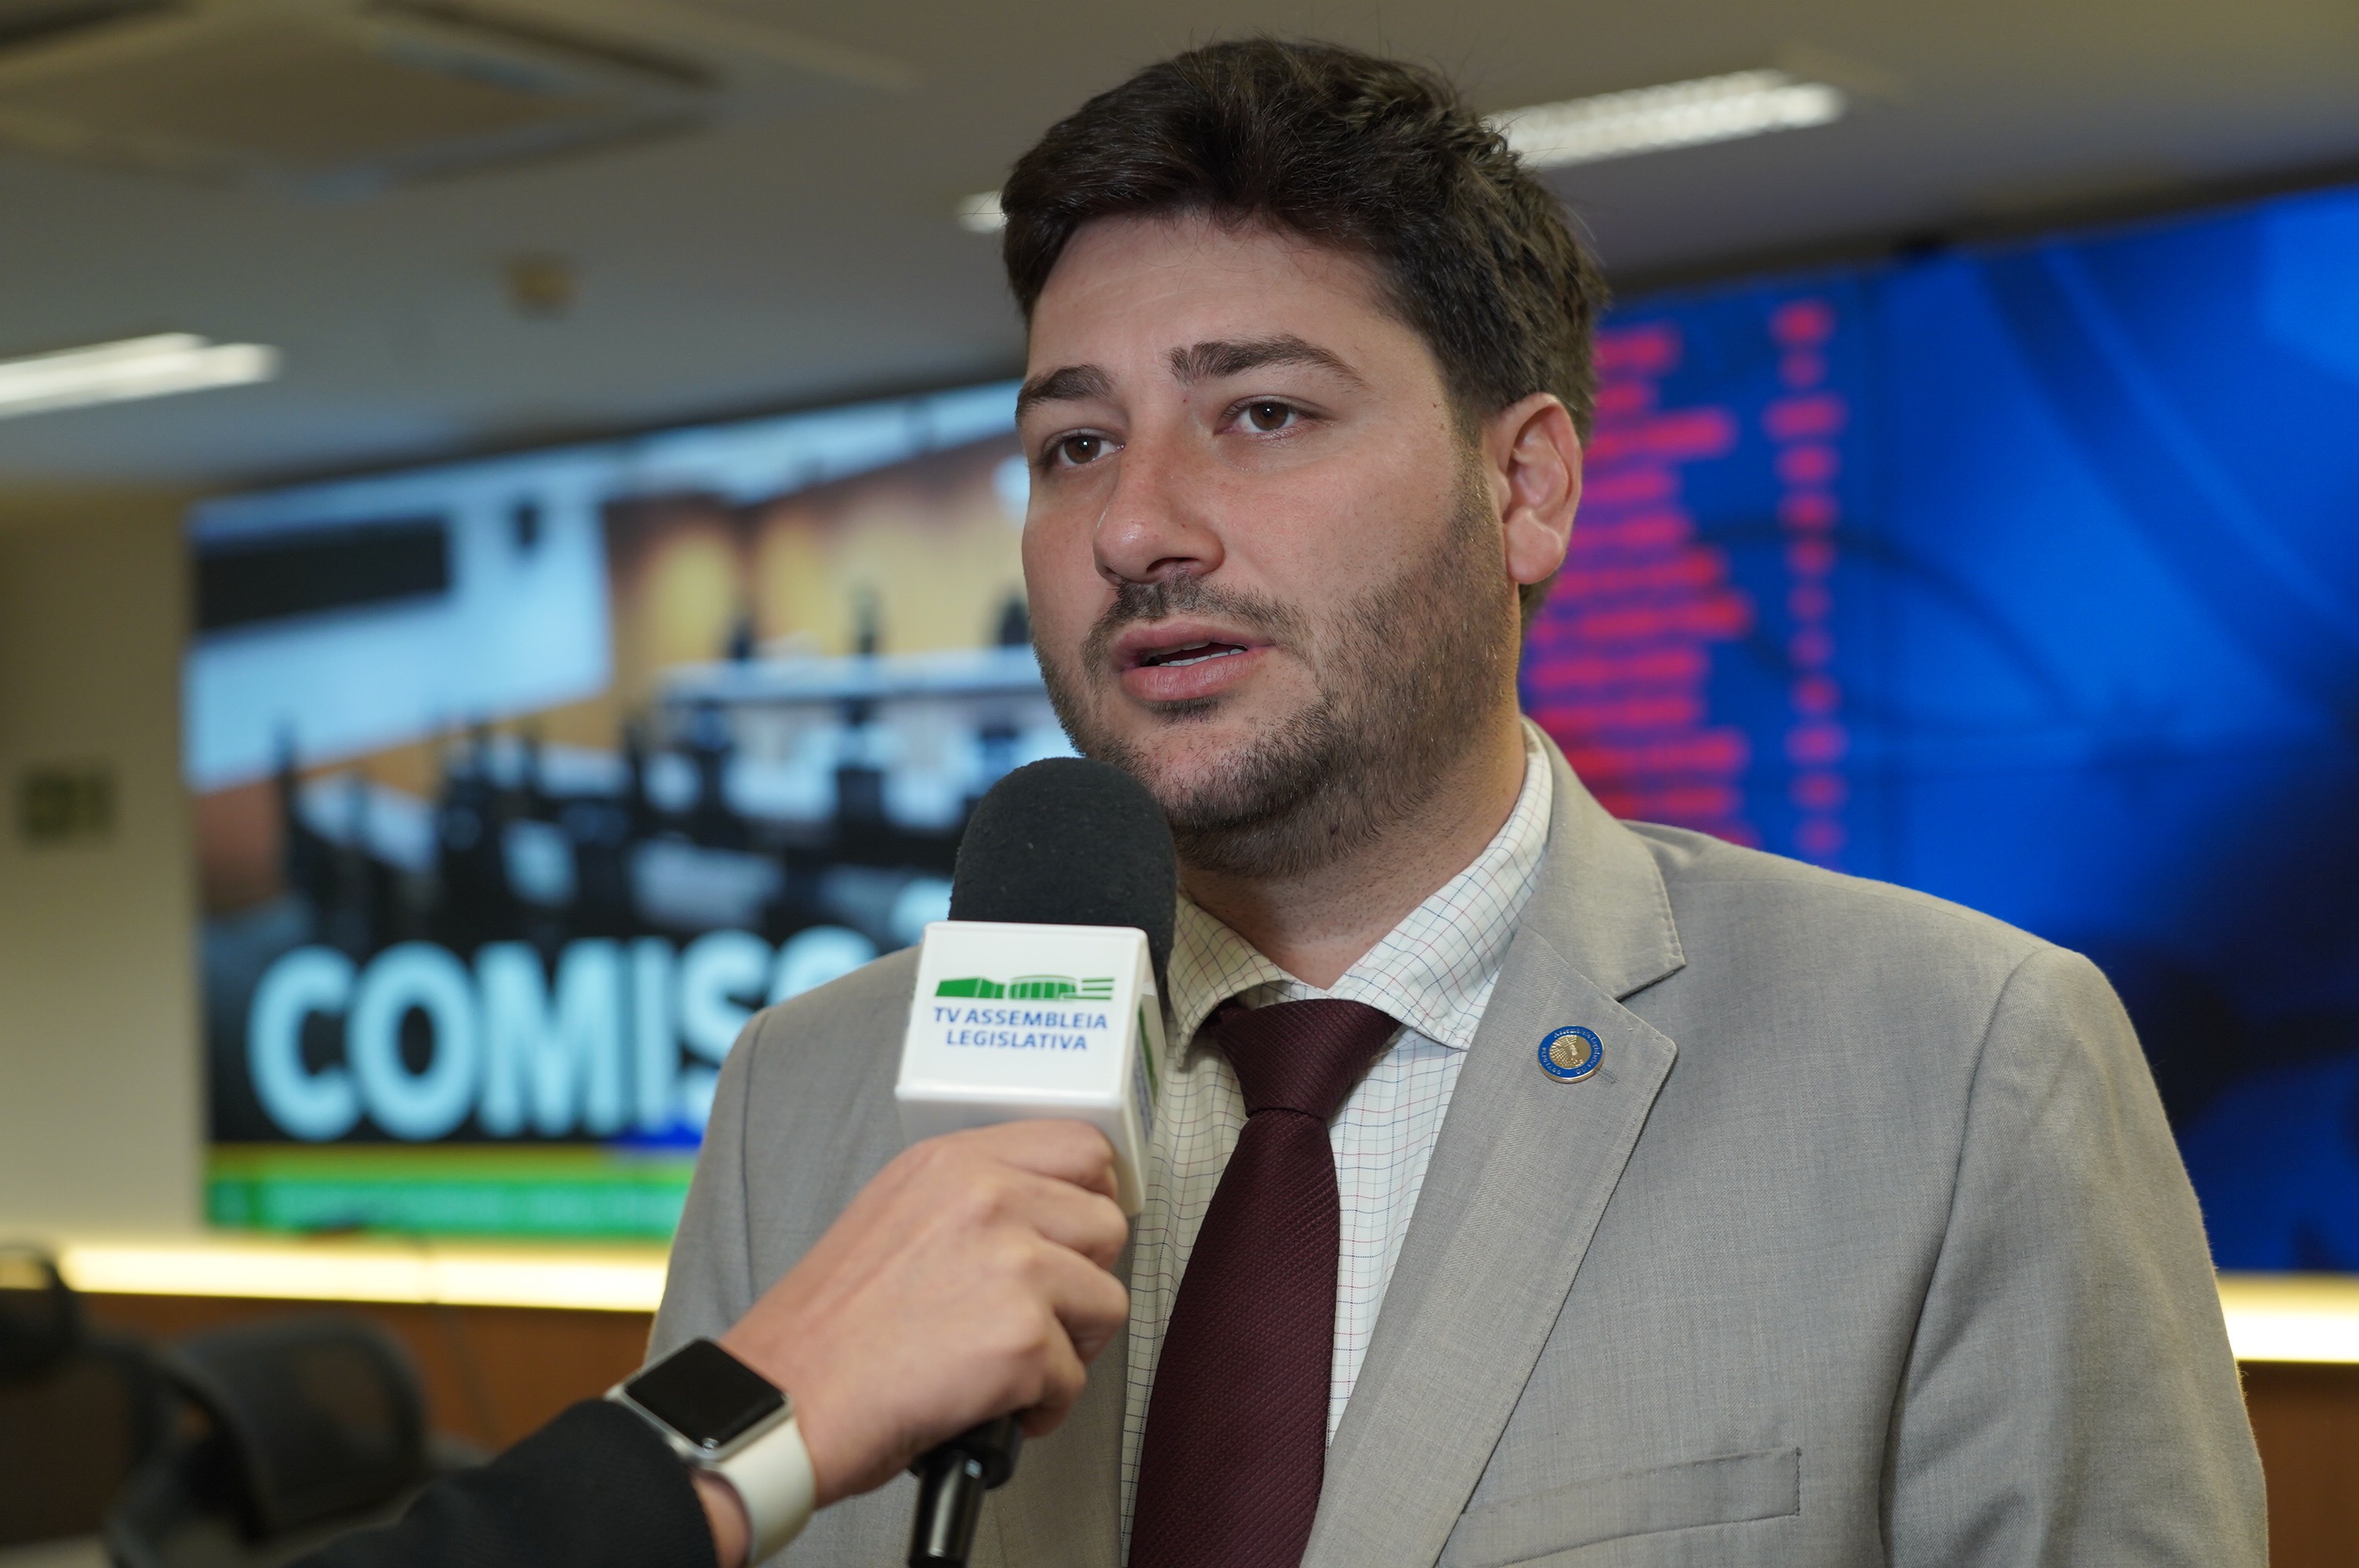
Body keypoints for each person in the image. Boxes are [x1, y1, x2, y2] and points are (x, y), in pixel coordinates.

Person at [649, 35, 2265, 1568]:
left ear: (1525, 487)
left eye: (1262, 413)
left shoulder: (1958, 1065)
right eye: (1074, 442)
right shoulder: (809, 1099)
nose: (1133, 526)